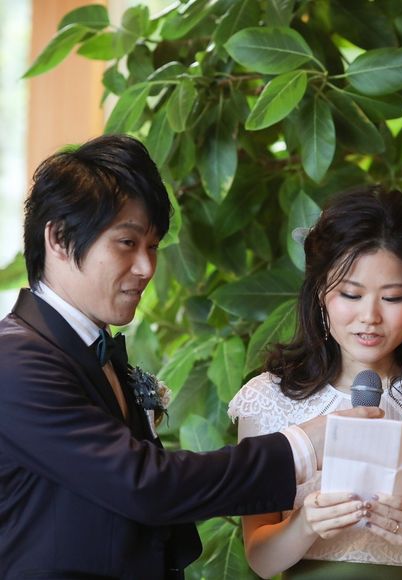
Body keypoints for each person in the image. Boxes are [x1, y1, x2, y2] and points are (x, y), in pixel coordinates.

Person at [0, 134, 381, 580]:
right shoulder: (15, 362)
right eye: (127, 242)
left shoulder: (91, 349)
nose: (146, 268)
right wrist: (303, 444)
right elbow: (147, 484)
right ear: (60, 238)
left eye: (153, 246)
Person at [229, 185, 402, 579]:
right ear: (320, 294)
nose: (370, 317)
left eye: (392, 298)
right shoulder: (268, 398)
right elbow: (260, 559)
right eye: (351, 294)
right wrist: (305, 525)